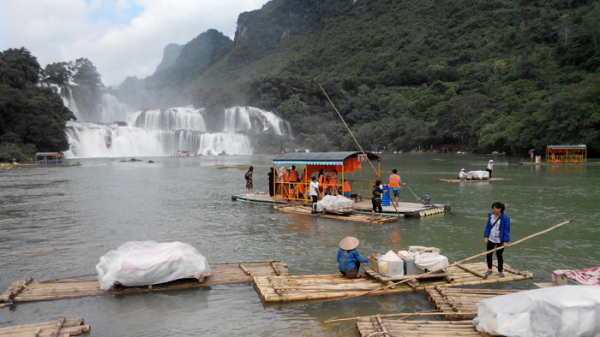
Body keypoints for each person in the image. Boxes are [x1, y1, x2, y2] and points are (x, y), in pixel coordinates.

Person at [484, 202, 510, 277]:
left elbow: (506, 230)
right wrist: (486, 237)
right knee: (489, 254)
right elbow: (488, 227)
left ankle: (500, 271)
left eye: (495, 208)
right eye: (493, 208)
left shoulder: (505, 219)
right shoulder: (491, 216)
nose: (493, 210)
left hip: (500, 240)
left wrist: (505, 241)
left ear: (500, 209)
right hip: (491, 238)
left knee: (499, 255)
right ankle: (489, 269)